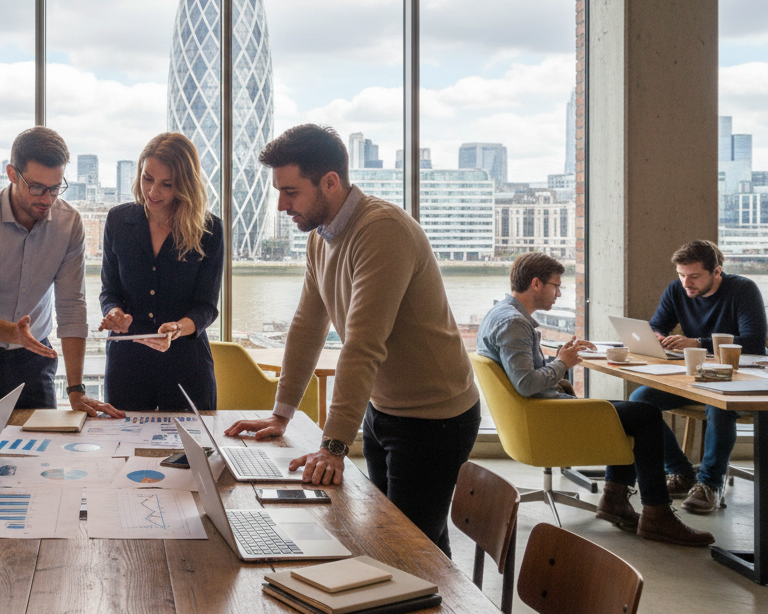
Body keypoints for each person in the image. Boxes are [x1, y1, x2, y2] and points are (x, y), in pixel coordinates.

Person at [223, 124, 480, 557]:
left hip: (434, 418)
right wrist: (281, 414)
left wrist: (334, 445)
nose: (282, 205)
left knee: (403, 551)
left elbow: (362, 345)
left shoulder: (382, 231)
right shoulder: (320, 238)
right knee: (420, 544)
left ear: (330, 182)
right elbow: (307, 325)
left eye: (291, 192)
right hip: (383, 410)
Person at [477, 253, 714, 546]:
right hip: (545, 416)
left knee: (632, 412)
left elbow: (522, 373)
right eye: (555, 285)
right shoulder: (514, 323)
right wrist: (562, 363)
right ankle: (656, 515)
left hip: (539, 412)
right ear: (536, 284)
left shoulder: (501, 313)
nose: (559, 292)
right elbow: (526, 384)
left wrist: (559, 356)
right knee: (646, 415)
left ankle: (615, 500)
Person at [0, 127, 121, 418]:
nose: (47, 198)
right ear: (12, 174)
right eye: (37, 187)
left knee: (41, 455)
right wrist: (12, 332)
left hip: (34, 360)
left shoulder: (69, 224)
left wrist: (76, 389)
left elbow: (71, 307)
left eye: (55, 188)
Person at [629, 239, 767, 514]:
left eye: (694, 276)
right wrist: (656, 337)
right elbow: (658, 324)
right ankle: (680, 472)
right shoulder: (677, 290)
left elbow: (753, 341)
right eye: (681, 275)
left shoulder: (742, 289)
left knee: (718, 405)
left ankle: (710, 485)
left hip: (742, 376)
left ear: (716, 272)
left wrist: (697, 342)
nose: (686, 283)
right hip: (697, 373)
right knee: (639, 402)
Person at [98, 133, 225, 410]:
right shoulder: (118, 220)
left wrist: (179, 328)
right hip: (127, 363)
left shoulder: (209, 229)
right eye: (147, 178)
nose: (153, 192)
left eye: (167, 184)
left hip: (186, 366)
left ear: (185, 184)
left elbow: (206, 307)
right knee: (121, 449)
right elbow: (110, 291)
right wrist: (114, 313)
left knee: (190, 452)